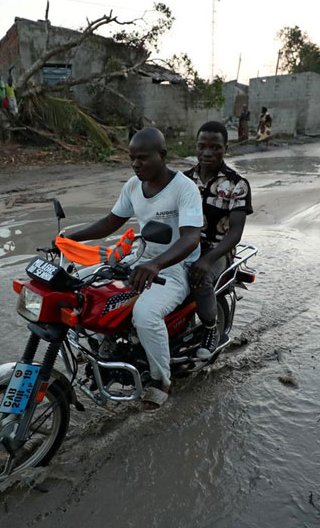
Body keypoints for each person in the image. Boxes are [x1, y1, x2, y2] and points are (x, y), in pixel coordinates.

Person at [64, 127, 202, 411]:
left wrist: (157, 264)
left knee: (145, 313)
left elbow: (191, 237)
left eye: (143, 158)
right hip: (142, 258)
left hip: (176, 266)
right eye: (132, 158)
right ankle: (106, 351)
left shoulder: (184, 188)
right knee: (87, 287)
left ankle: (161, 380)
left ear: (162, 156)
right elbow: (110, 222)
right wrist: (69, 238)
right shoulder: (132, 186)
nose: (136, 164)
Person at [183, 121, 252, 359]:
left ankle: (211, 330)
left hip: (217, 249)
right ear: (196, 147)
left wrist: (207, 259)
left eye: (215, 147)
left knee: (199, 279)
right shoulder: (182, 180)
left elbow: (234, 233)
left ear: (225, 149)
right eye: (202, 146)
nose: (207, 152)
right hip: (184, 245)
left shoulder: (237, 184)